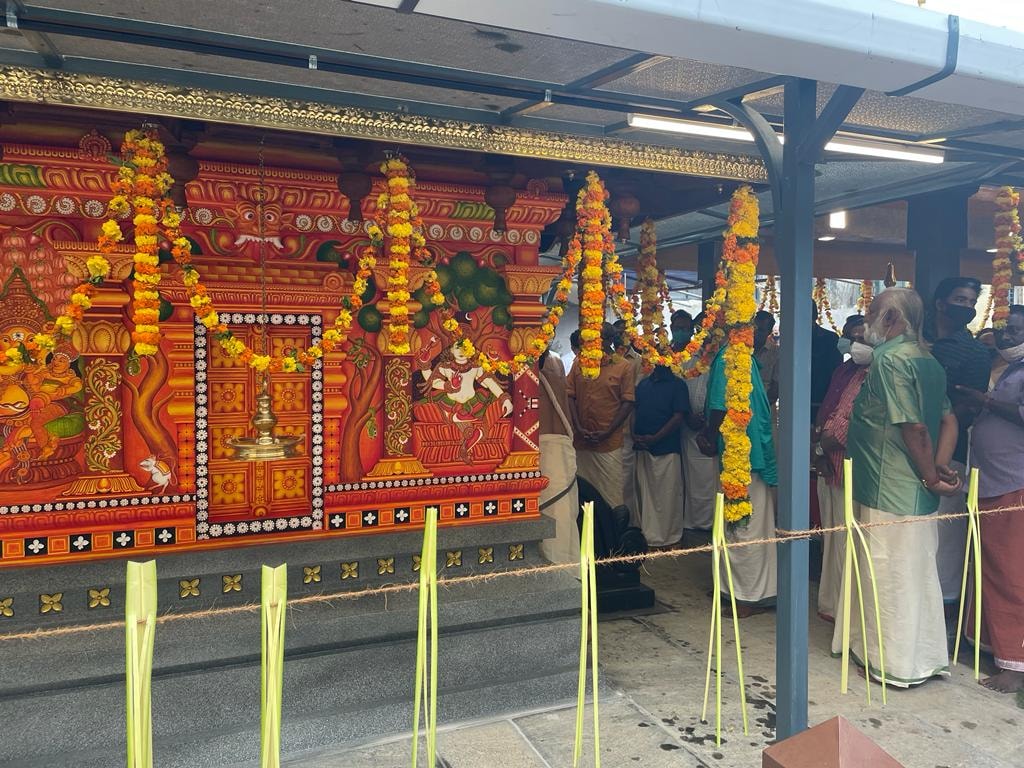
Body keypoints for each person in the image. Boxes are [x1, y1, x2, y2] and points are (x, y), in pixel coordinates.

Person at [831, 287, 960, 687]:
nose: (866, 320)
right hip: (912, 488)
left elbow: (914, 426)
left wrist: (930, 476)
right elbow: (948, 422)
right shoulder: (928, 360)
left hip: (887, 486)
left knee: (884, 574)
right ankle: (920, 655)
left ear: (891, 319)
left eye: (872, 313)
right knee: (914, 571)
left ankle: (894, 663)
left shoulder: (889, 360)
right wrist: (937, 468)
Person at [955, 304, 1024, 693]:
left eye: (1015, 330)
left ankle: (1016, 664)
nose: (1006, 335)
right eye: (1004, 328)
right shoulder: (1010, 368)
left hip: (1014, 484)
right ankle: (990, 646)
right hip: (991, 482)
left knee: (1010, 572)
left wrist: (986, 403)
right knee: (985, 567)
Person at [924, 277, 991, 610]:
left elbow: (968, 405)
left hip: (949, 449)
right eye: (959, 300)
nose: (965, 306)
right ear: (940, 303)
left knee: (946, 531)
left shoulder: (977, 352)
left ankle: (944, 604)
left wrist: (940, 438)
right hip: (909, 447)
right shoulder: (918, 343)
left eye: (970, 301)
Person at [699, 340, 778, 617]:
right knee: (736, 520)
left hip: (742, 453)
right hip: (745, 449)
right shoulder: (739, 354)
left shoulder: (728, 356)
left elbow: (720, 406)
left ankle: (748, 597)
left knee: (743, 523)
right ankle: (729, 587)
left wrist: (707, 436)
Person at [812, 314, 870, 622]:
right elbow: (827, 411)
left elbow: (849, 426)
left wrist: (822, 447)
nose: (856, 343)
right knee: (831, 538)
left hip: (849, 467)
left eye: (862, 338)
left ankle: (845, 606)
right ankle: (831, 602)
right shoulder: (843, 369)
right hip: (828, 463)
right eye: (851, 337)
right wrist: (818, 450)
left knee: (848, 540)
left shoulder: (872, 375)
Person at [567, 323, 636, 509]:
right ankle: (591, 536)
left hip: (609, 443)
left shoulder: (623, 366)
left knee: (611, 497)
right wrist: (578, 428)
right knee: (584, 497)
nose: (593, 342)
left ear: (609, 341)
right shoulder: (579, 362)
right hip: (582, 441)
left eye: (599, 338)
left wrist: (608, 431)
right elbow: (570, 396)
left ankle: (612, 536)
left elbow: (628, 402)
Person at [633, 365, 690, 548]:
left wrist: (656, 438)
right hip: (643, 448)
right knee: (646, 496)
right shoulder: (643, 384)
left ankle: (670, 537)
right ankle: (648, 535)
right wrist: (635, 435)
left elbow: (678, 416)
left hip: (667, 449)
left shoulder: (678, 385)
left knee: (668, 495)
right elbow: (634, 411)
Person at [537, 349, 579, 564]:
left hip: (556, 444)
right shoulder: (553, 359)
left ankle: (563, 570)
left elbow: (563, 401)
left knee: (562, 514)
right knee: (557, 513)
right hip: (545, 445)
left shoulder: (554, 361)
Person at [681, 312, 717, 531]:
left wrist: (710, 426)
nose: (703, 336)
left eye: (708, 332)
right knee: (692, 480)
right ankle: (694, 523)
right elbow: (678, 390)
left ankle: (712, 523)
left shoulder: (724, 358)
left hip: (714, 430)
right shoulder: (687, 358)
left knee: (711, 479)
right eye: (699, 331)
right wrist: (688, 416)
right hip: (689, 428)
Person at [612, 318, 644, 518]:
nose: (622, 335)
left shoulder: (638, 360)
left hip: (626, 428)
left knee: (627, 481)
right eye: (618, 332)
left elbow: (635, 396)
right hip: (605, 428)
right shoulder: (603, 358)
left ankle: (629, 524)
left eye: (625, 331)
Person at [811, 299, 843, 421]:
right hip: (795, 396)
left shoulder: (830, 338)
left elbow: (836, 370)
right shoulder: (790, 337)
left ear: (814, 316)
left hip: (822, 398)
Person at [754, 310, 780, 406]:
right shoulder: (741, 348)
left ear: (769, 332)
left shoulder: (776, 353)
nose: (755, 333)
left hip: (764, 406)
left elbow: (776, 387)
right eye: (754, 328)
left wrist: (762, 406)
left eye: (760, 330)